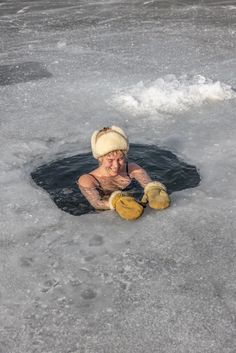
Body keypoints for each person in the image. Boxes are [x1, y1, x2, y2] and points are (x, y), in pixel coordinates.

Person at [77, 126, 170, 220]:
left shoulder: (132, 169)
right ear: (100, 158)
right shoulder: (88, 180)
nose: (116, 165)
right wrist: (115, 202)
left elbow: (148, 185)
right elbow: (96, 203)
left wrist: (153, 191)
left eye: (120, 159)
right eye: (110, 160)